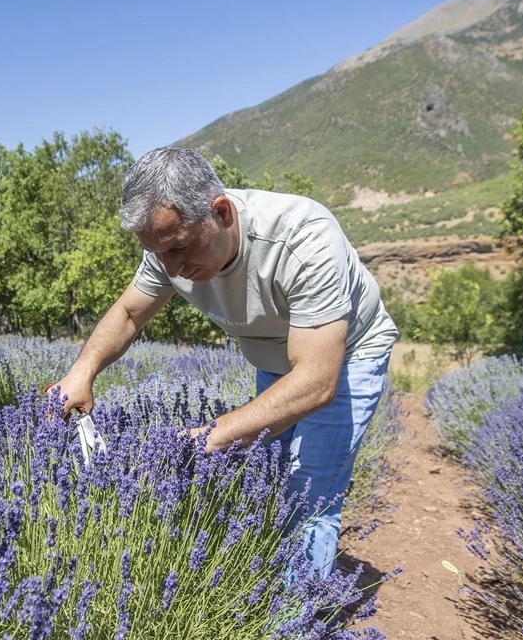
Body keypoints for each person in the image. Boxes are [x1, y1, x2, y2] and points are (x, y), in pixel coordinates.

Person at [48, 147, 398, 578]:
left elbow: (315, 381)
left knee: (309, 493)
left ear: (222, 213)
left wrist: (202, 440)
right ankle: (268, 588)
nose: (172, 267)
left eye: (180, 248)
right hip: (275, 358)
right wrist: (80, 374)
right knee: (269, 481)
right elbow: (129, 314)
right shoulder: (167, 248)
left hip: (344, 357)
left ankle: (291, 632)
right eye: (160, 254)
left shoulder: (302, 237)